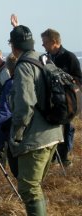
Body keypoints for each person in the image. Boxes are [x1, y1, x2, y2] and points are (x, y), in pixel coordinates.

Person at [8, 24, 63, 216]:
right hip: (54, 131)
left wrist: (17, 133)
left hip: (36, 136)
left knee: (29, 187)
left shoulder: (24, 66)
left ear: (13, 46)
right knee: (34, 186)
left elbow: (24, 104)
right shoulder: (43, 58)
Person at [41, 28, 82, 167]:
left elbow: (78, 79)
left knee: (66, 128)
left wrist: (63, 82)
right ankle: (53, 158)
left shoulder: (69, 57)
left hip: (67, 101)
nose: (43, 45)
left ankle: (65, 159)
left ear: (54, 42)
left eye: (45, 42)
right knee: (53, 129)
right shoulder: (46, 58)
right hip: (52, 100)